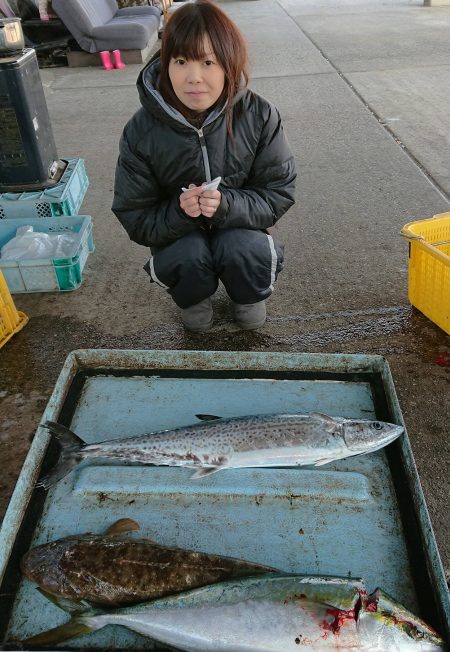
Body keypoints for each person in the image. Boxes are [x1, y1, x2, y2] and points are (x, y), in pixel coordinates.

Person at [112, 0, 296, 332]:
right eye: (181, 61)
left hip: (240, 227)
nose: (194, 78)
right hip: (179, 236)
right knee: (187, 251)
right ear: (166, 63)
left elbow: (277, 194)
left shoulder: (260, 115)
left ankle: (248, 294)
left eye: (208, 61)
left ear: (228, 64)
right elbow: (135, 216)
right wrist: (180, 212)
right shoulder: (140, 131)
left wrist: (226, 205)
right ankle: (193, 296)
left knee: (242, 245)